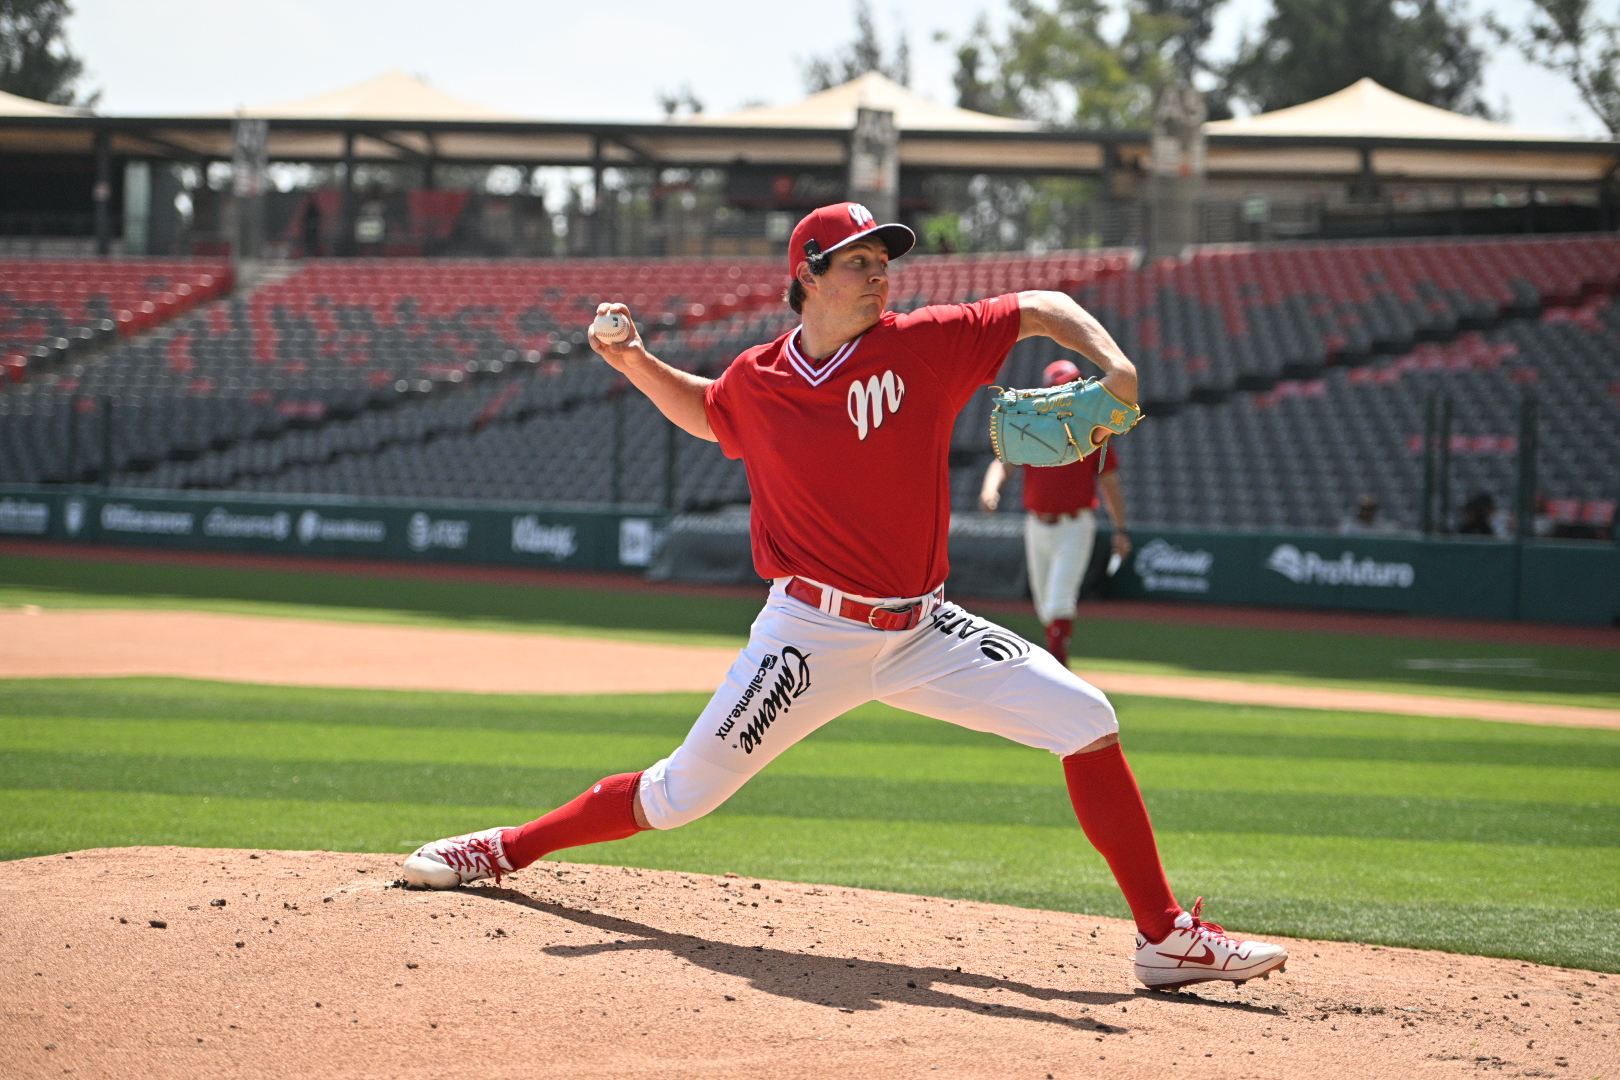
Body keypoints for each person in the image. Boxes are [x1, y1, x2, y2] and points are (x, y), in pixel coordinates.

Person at [402, 202, 1288, 990]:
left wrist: (1115, 364)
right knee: (677, 797)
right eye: (859, 261)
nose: (879, 273)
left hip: (924, 627)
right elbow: (714, 412)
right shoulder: (761, 377)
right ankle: (500, 849)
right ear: (808, 276)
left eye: (883, 259)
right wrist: (633, 360)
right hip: (807, 637)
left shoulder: (924, 343)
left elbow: (1041, 309)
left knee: (1085, 715)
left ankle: (1164, 936)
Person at [979, 358, 1131, 667]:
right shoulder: (1029, 424)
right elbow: (1002, 462)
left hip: (1074, 525)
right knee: (1044, 607)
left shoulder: (1093, 429)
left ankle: (1060, 671)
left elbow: (1110, 482)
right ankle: (1057, 665)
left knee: (1060, 601)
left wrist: (1121, 530)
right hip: (1036, 524)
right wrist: (990, 488)